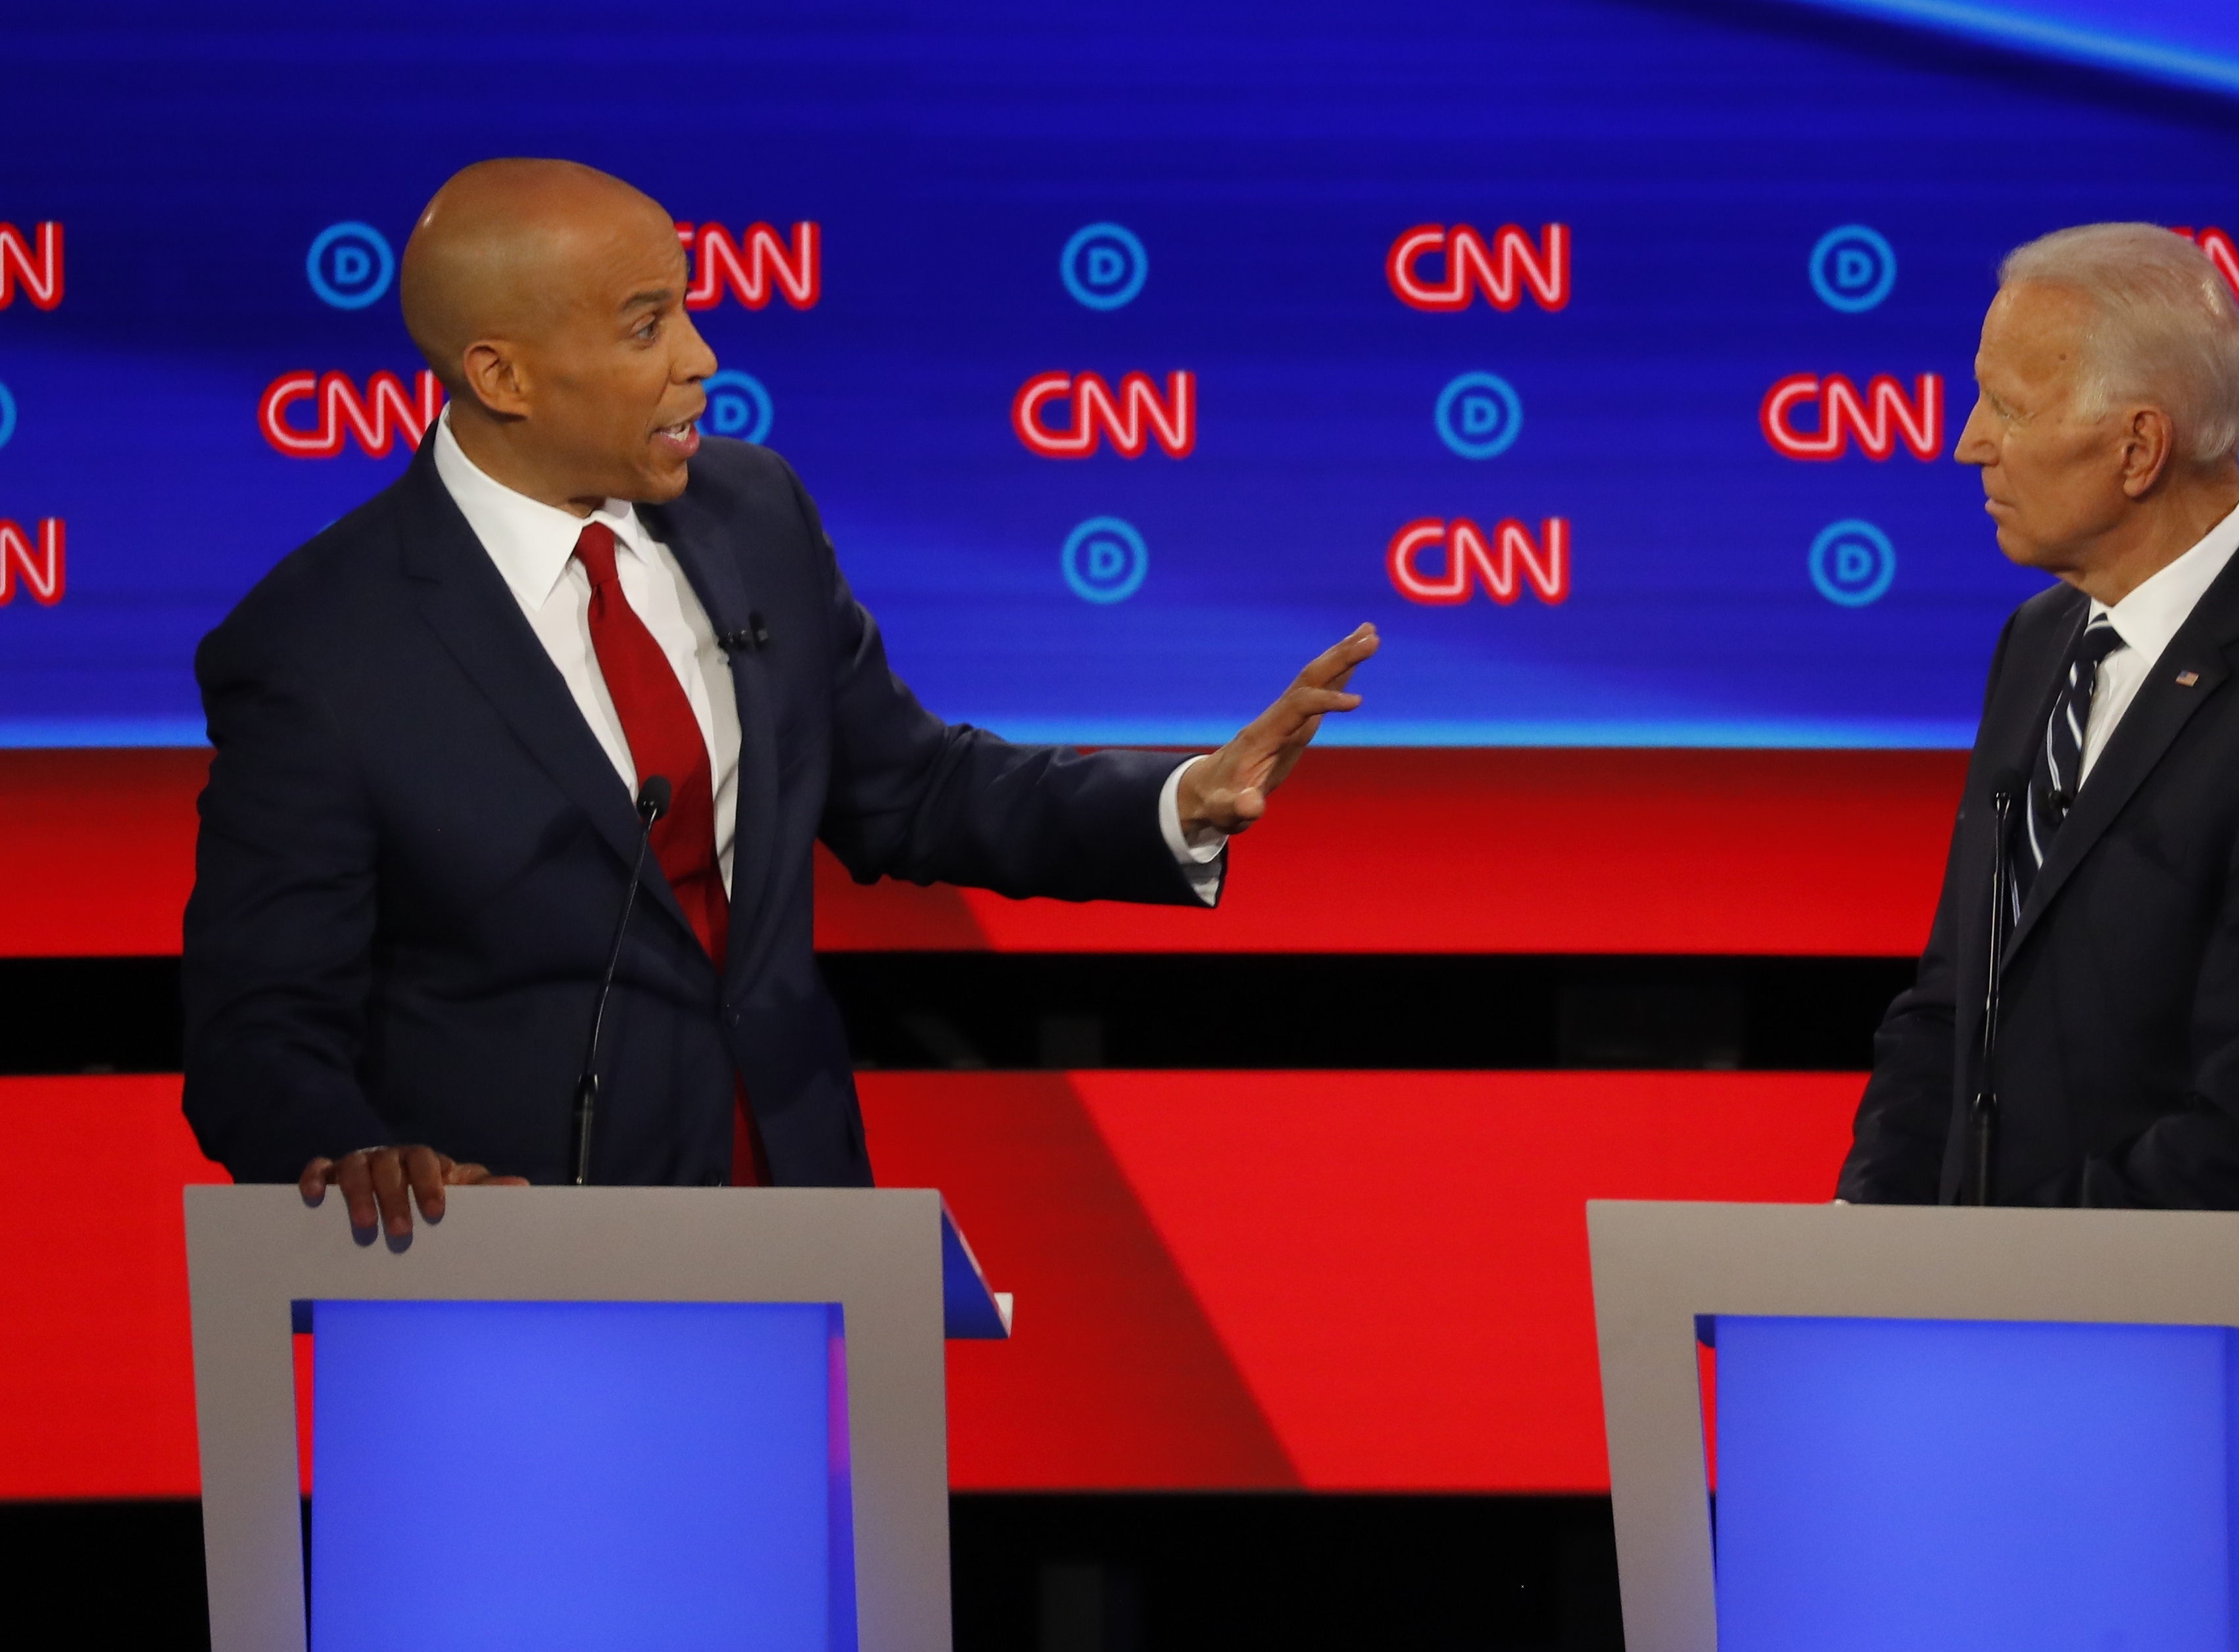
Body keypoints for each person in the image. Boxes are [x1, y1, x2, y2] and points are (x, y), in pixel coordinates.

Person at [181, 158, 1378, 1238]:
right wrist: (351, 1157)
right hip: (504, 1260)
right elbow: (259, 1026)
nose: (701, 358)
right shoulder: (319, 648)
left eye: (689, 310)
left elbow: (910, 788)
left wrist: (1179, 800)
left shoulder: (751, 515)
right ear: (503, 374)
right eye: (649, 325)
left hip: (791, 1213)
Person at [1835, 224, 2239, 1593]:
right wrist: (1865, 1249)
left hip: (2196, 1435)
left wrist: (1976, 1269)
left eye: (2006, 403)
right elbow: (1948, 1002)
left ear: (2135, 446)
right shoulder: (2038, 642)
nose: (1964, 442)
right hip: (1984, 1412)